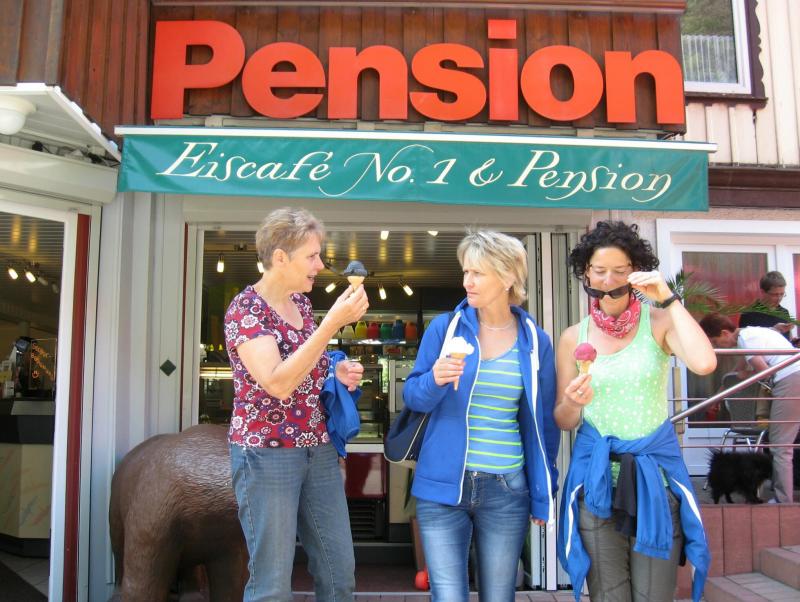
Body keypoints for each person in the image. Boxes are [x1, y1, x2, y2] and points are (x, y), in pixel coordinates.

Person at [555, 221, 716, 602]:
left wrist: (668, 299)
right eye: (599, 270)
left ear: (636, 272)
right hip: (598, 485)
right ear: (585, 272)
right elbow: (563, 419)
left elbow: (705, 363)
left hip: (654, 482)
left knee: (653, 595)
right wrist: (573, 402)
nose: (608, 279)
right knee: (608, 595)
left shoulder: (659, 322)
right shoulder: (573, 337)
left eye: (620, 270)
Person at [403, 229, 559, 602]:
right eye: (465, 272)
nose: (466, 282)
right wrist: (435, 379)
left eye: (477, 273)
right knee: (448, 596)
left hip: (507, 489)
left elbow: (543, 426)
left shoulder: (535, 341)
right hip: (442, 486)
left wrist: (544, 490)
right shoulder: (445, 329)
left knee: (499, 596)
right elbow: (413, 396)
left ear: (507, 278)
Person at [224, 207, 369, 602]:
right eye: (312, 256)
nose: (320, 265)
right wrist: (331, 324)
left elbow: (306, 366)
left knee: (340, 574)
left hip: (317, 449)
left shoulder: (301, 305)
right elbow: (277, 382)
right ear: (280, 258)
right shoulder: (246, 310)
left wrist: (335, 373)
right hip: (265, 454)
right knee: (271, 585)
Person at [699, 313, 800, 503]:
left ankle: (783, 501)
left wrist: (748, 373)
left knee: (780, 446)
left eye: (715, 341)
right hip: (793, 378)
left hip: (790, 381)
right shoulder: (750, 334)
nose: (716, 346)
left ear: (724, 333)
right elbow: (735, 375)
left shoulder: (746, 339)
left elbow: (764, 372)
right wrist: (716, 399)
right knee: (782, 444)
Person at [738, 271, 795, 340]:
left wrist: (795, 342)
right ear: (763, 292)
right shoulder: (749, 314)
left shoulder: (784, 312)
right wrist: (773, 330)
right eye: (775, 294)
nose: (779, 298)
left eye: (782, 294)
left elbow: (789, 339)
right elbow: (745, 340)